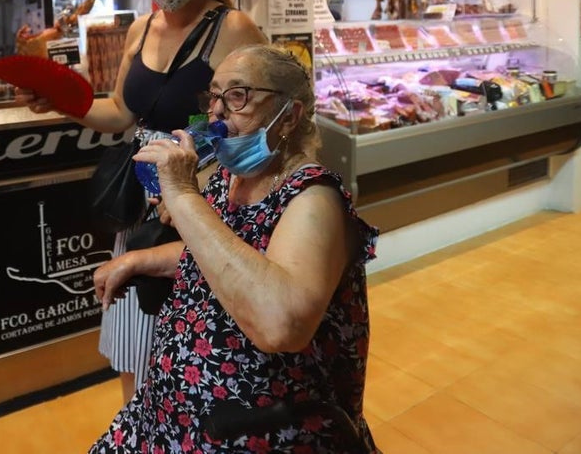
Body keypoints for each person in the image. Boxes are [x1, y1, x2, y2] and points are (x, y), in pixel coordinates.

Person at [18, 0, 266, 403]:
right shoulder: (141, 30)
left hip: (202, 205)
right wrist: (62, 101)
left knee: (193, 350)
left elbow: (251, 125)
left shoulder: (232, 28)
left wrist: (190, 178)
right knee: (135, 348)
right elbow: (118, 112)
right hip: (141, 202)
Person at [90, 44, 379, 453]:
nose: (217, 113)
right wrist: (139, 258)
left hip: (258, 432)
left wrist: (184, 196)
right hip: (165, 418)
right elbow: (230, 256)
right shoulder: (230, 182)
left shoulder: (314, 197)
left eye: (238, 95)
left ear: (289, 116)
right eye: (213, 96)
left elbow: (281, 324)